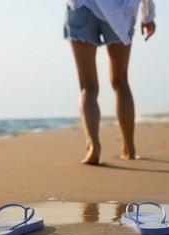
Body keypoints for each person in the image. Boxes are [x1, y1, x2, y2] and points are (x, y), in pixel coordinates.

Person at [64, 0, 156, 164]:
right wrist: (148, 15)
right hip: (119, 12)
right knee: (120, 81)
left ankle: (93, 147)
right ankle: (129, 149)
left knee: (88, 87)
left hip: (82, 7)